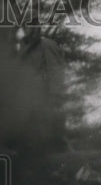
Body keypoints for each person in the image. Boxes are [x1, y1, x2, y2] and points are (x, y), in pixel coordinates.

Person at [18, 19, 68, 149]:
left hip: (43, 91)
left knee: (49, 120)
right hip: (26, 91)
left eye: (32, 25)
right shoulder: (23, 47)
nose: (29, 28)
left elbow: (56, 69)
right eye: (26, 25)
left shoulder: (46, 44)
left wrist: (55, 93)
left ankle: (58, 146)